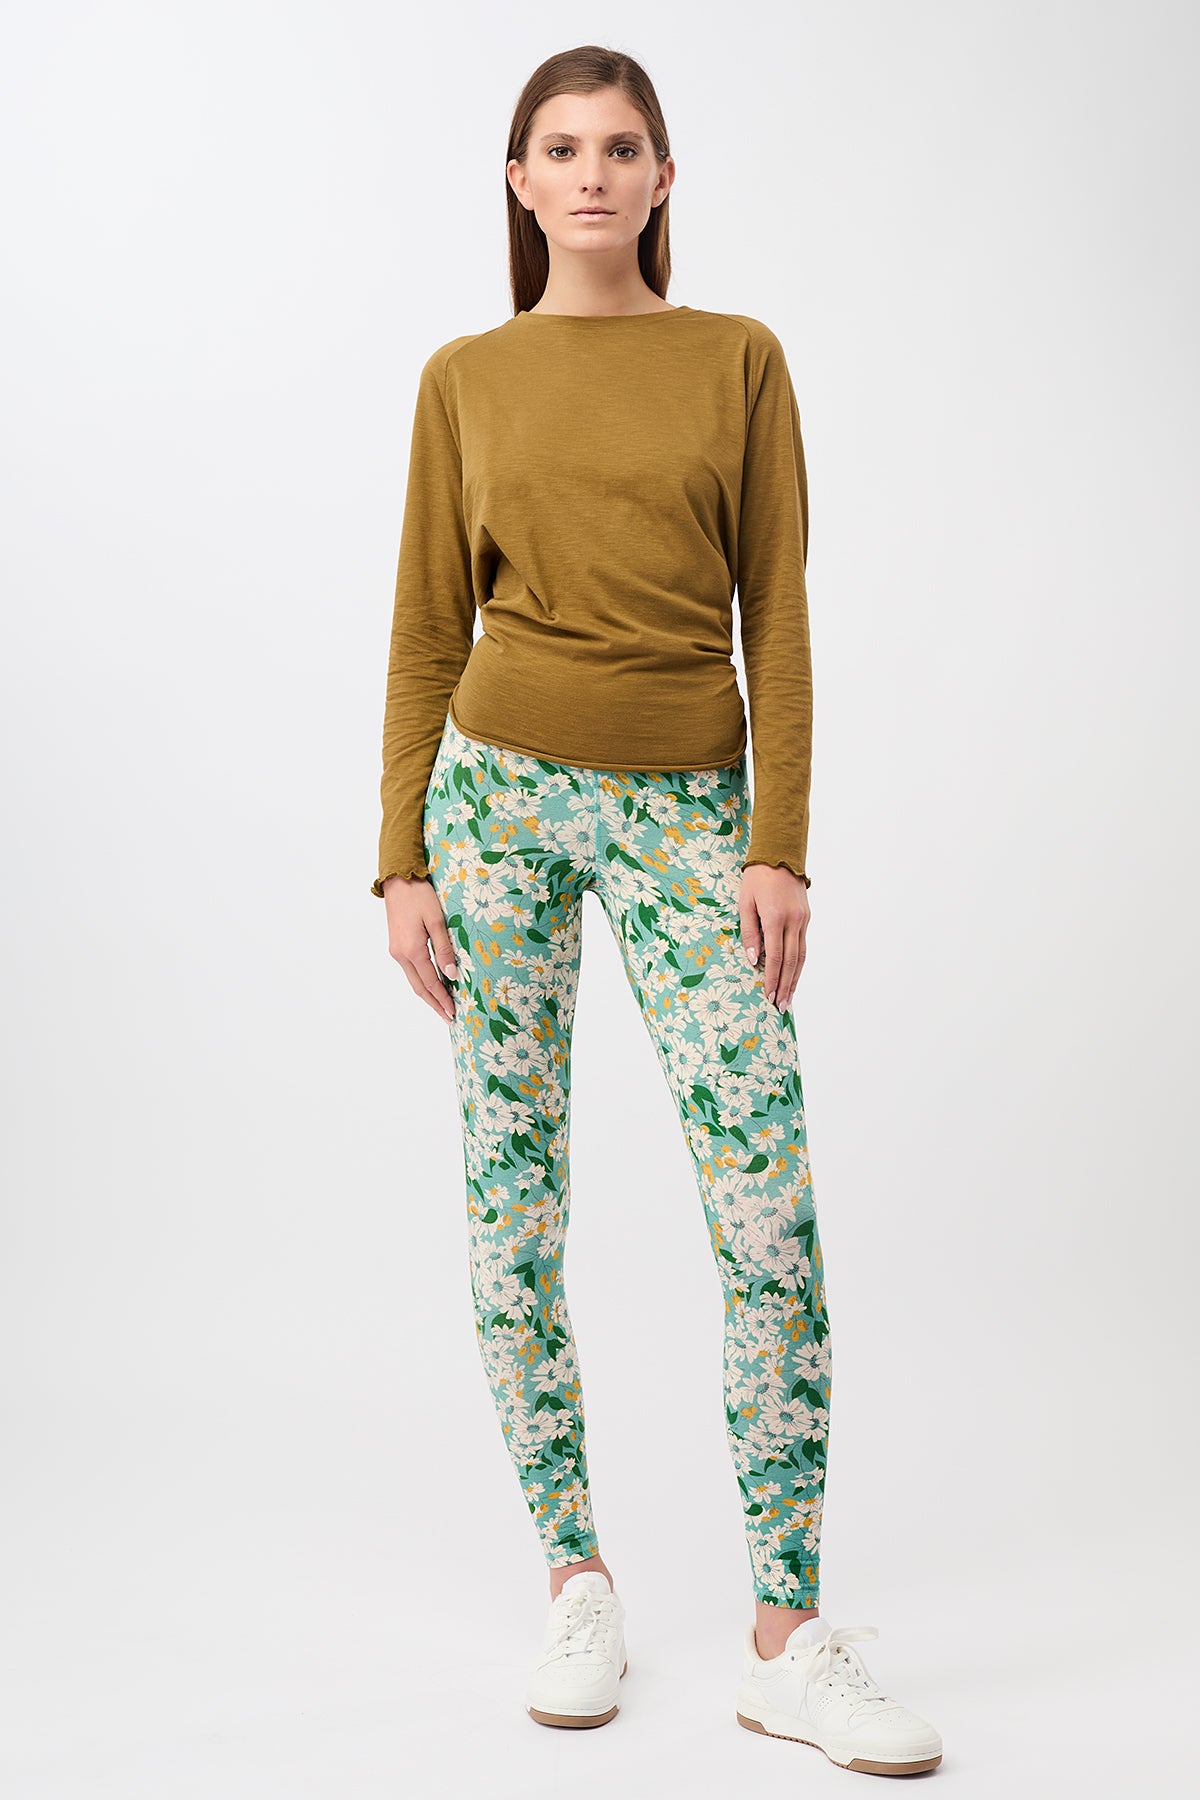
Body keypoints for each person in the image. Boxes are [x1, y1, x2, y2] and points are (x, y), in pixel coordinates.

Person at [371, 43, 942, 1777]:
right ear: (521, 182)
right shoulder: (465, 378)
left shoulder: (735, 359)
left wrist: (779, 843)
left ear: (664, 177)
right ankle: (576, 1579)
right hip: (496, 806)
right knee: (514, 1193)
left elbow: (779, 607)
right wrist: (401, 856)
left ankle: (786, 1635)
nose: (594, 174)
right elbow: (426, 625)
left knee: (763, 1202)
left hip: (694, 805)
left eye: (623, 147)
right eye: (562, 149)